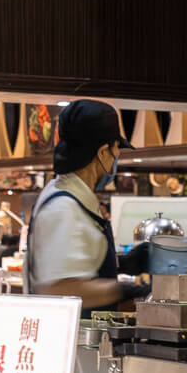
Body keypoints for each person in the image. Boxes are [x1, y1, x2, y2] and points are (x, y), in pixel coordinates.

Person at [25, 99, 148, 316]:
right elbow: (61, 288)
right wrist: (134, 287)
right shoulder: (64, 208)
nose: (117, 156)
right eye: (116, 148)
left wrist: (123, 264)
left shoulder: (68, 195)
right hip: (69, 341)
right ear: (102, 153)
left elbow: (75, 262)